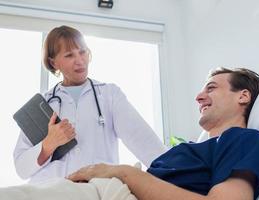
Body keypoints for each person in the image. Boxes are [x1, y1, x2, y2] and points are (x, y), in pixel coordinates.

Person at [68, 67, 259, 200]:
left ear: (243, 96)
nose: (199, 97)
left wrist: (125, 173)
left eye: (211, 88)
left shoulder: (244, 140)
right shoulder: (195, 148)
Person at [13, 25, 167, 183]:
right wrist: (48, 145)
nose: (79, 61)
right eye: (69, 55)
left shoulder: (109, 95)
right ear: (53, 63)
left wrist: (176, 175)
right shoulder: (42, 104)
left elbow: (144, 140)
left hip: (96, 190)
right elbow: (21, 167)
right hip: (51, 192)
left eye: (82, 52)